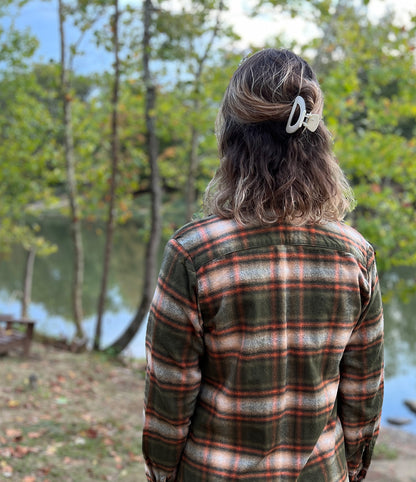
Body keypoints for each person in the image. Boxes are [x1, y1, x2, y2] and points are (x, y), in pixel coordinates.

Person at [142, 48, 384, 482]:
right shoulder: (356, 254)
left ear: (232, 140)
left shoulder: (193, 254)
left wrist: (161, 472)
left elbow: (168, 400)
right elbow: (363, 394)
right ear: (316, 139)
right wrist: (355, 467)